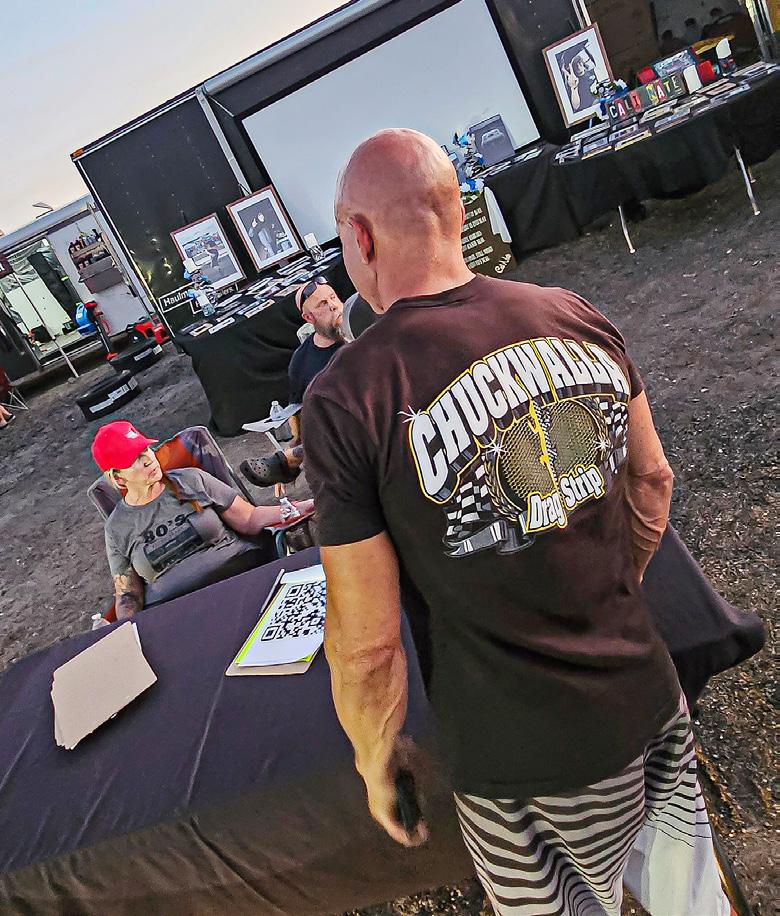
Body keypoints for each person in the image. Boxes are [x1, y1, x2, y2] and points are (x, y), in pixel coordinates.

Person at [302, 129, 732, 915]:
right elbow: (653, 480)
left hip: (523, 768)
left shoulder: (347, 396)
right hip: (647, 696)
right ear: (455, 212)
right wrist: (608, 591)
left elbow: (366, 643)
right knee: (693, 900)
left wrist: (374, 762)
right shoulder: (573, 313)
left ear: (360, 238)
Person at [92, 420, 312, 616]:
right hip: (179, 613)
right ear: (118, 479)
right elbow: (128, 594)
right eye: (135, 459)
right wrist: (125, 629)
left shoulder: (191, 480)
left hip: (241, 577)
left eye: (146, 450)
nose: (149, 459)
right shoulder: (117, 527)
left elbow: (250, 518)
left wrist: (305, 506)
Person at [240, 277, 344, 486]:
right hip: (337, 431)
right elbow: (299, 410)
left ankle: (289, 460)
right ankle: (292, 458)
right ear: (308, 317)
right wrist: (295, 441)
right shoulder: (302, 361)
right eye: (322, 304)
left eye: (333, 297)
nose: (333, 306)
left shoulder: (362, 327)